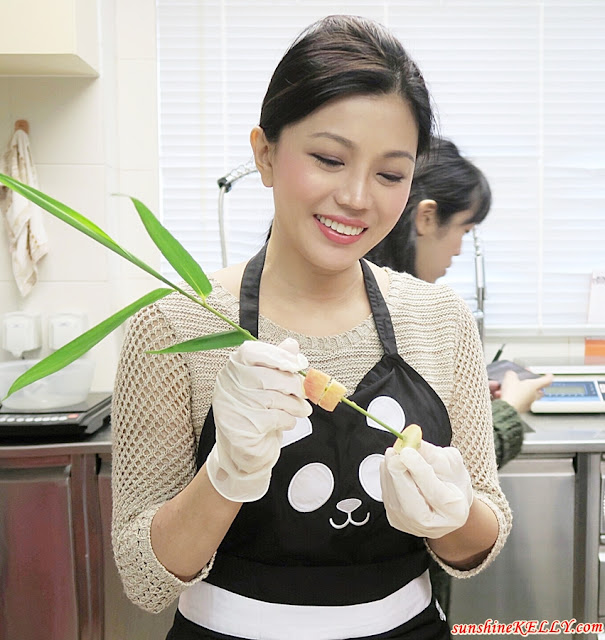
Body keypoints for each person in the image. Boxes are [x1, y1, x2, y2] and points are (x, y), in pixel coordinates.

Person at [111, 16, 512, 640]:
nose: (357, 197)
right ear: (265, 154)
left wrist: (453, 517)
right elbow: (145, 579)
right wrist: (226, 473)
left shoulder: (440, 319)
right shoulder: (173, 327)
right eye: (329, 158)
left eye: (390, 174)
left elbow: (478, 540)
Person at [366, 136, 552, 614]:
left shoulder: (429, 319)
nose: (459, 250)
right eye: (464, 230)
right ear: (426, 217)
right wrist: (508, 412)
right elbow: (430, 475)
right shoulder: (398, 318)